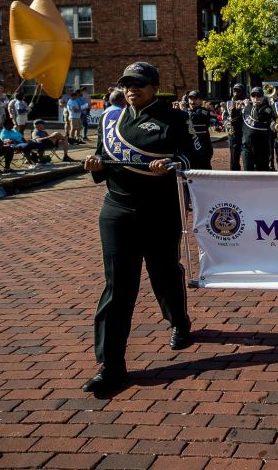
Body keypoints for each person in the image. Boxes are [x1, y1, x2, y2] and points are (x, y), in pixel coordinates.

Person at [80, 62, 202, 396]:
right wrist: (95, 165)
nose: (132, 89)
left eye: (139, 83)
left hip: (159, 211)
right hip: (117, 210)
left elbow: (196, 159)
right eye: (127, 84)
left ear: (154, 86)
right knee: (117, 286)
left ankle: (179, 320)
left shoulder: (174, 119)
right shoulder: (110, 118)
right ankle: (110, 365)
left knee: (163, 272)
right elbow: (101, 160)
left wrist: (173, 164)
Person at [238, 86, 276, 171]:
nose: (255, 98)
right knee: (248, 174)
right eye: (253, 96)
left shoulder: (267, 109)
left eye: (258, 95)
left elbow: (257, 116)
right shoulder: (246, 108)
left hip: (262, 149)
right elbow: (236, 122)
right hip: (247, 148)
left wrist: (248, 106)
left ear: (263, 97)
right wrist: (235, 111)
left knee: (261, 175)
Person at [185, 90, 215, 169]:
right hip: (191, 146)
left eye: (195, 99)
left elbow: (194, 117)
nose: (192, 101)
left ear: (200, 100)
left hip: (203, 147)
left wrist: (184, 110)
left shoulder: (203, 110)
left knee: (205, 170)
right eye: (190, 99)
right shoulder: (187, 111)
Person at [223, 83, 246, 171]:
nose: (236, 92)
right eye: (234, 90)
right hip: (233, 132)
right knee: (234, 156)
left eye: (238, 90)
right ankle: (234, 172)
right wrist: (226, 123)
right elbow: (225, 115)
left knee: (247, 155)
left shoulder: (246, 102)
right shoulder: (228, 103)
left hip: (244, 131)